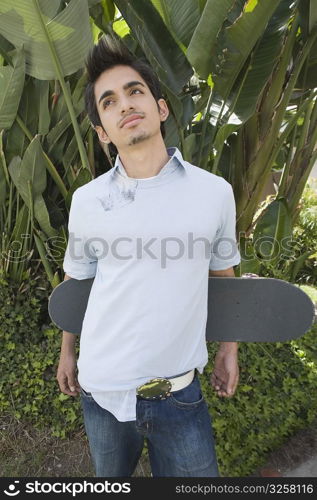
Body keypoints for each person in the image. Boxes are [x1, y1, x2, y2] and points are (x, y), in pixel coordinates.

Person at [57, 35, 241, 478]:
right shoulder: (87, 201)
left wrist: (229, 348)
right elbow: (77, 282)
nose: (125, 104)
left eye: (135, 91)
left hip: (181, 392)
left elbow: (225, 274)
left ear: (160, 108)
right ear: (103, 132)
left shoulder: (214, 192)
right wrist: (67, 353)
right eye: (109, 101)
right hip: (102, 391)